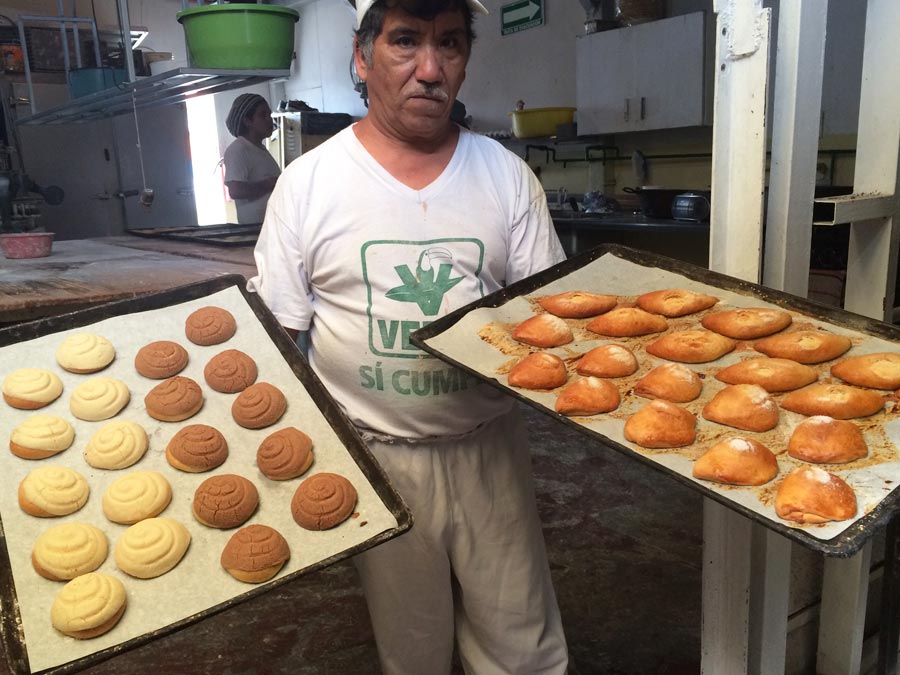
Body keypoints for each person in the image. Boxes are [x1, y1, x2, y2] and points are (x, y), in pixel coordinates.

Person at [248, 0, 569, 672]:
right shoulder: (308, 185)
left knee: (523, 648)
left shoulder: (506, 177)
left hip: (490, 452)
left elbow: (552, 321)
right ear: (361, 58)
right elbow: (277, 342)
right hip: (376, 462)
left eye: (449, 43)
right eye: (405, 41)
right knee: (412, 649)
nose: (430, 68)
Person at [222, 93, 280, 224]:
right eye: (262, 115)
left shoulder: (260, 149)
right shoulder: (238, 149)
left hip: (270, 227)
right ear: (247, 121)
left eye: (269, 115)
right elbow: (236, 190)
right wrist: (269, 183)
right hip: (255, 230)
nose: (269, 120)